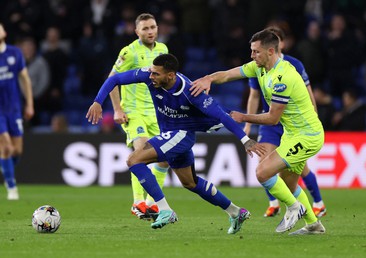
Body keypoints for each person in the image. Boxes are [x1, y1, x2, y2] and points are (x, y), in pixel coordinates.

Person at [86, 53, 262, 233]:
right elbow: (115, 78)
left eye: (156, 74)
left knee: (134, 160)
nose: (151, 76)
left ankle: (164, 209)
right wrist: (97, 101)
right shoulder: (149, 76)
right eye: (151, 72)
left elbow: (222, 116)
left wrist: (245, 140)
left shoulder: (191, 92)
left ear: (170, 75)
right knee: (190, 183)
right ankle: (235, 212)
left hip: (182, 135)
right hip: (171, 134)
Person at [191, 29, 326, 235]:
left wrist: (243, 117)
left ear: (271, 51)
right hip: (293, 134)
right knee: (288, 184)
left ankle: (294, 208)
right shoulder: (260, 68)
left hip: (307, 136)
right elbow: (228, 75)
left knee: (262, 172)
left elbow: (273, 118)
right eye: (251, 51)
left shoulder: (283, 77)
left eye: (256, 52)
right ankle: (313, 225)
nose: (252, 56)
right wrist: (208, 78)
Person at [243, 26, 326, 218]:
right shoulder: (259, 66)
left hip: (294, 124)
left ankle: (318, 203)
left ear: (280, 44)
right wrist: (248, 125)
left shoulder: (293, 65)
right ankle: (274, 203)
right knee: (264, 163)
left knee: (298, 170)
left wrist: (314, 115)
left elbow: (307, 92)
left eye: (278, 39)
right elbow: (254, 96)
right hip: (269, 121)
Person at [108, 13, 169, 220]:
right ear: (137, 32)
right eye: (145, 28)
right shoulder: (129, 52)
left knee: (166, 158)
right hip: (133, 111)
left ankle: (152, 203)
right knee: (141, 151)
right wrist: (117, 109)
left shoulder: (163, 50)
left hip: (156, 112)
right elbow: (112, 80)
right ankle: (138, 202)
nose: (150, 31)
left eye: (152, 27)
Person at [0, 23, 34, 200]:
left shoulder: (14, 53)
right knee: (6, 146)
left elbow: (25, 80)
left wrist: (29, 104)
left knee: (17, 151)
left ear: (4, 31)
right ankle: (11, 186)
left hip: (13, 108)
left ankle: (5, 167)